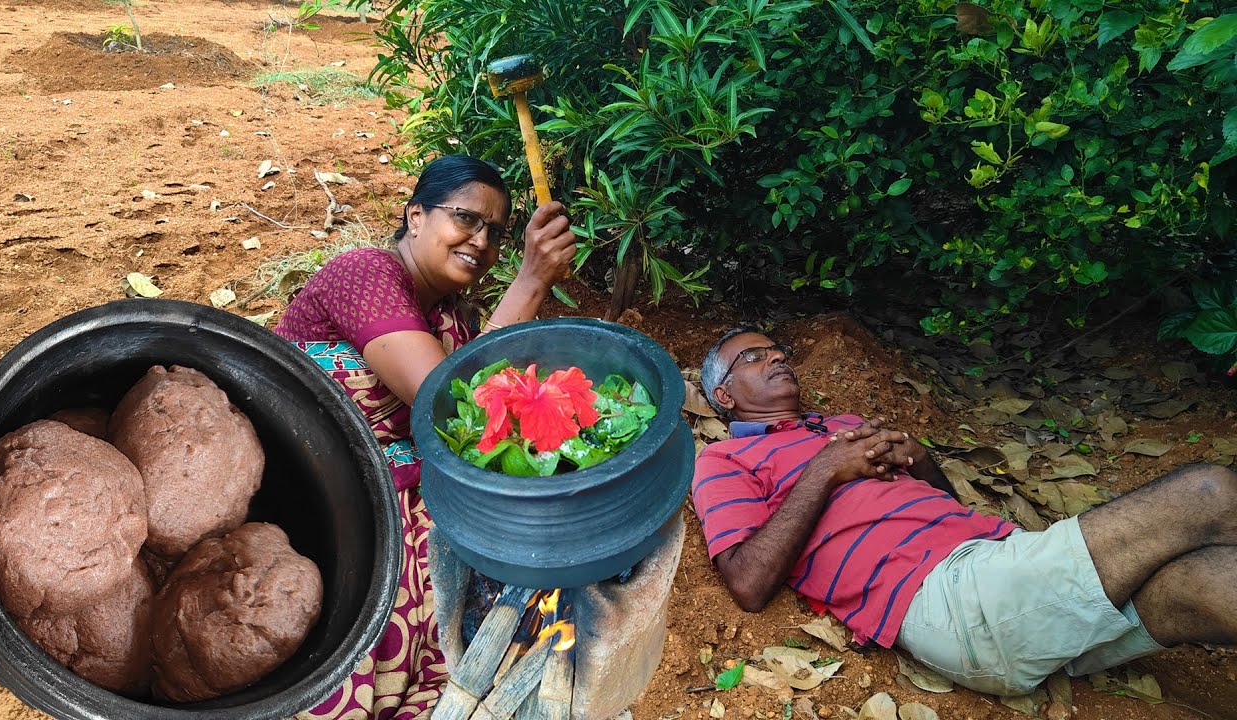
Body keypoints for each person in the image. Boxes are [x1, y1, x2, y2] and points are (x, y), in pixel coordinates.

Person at [691, 325, 1237, 696]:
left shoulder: (841, 426)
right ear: (724, 394)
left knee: (1202, 585)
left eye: (778, 350)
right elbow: (747, 583)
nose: (777, 357)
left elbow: (943, 518)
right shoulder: (725, 458)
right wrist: (824, 470)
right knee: (1207, 492)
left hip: (995, 573)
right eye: (753, 356)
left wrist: (922, 461)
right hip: (946, 603)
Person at [274, 155, 575, 719]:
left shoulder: (456, 320)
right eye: (465, 218)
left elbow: (489, 418)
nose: (481, 241)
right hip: (318, 489)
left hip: (406, 497)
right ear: (415, 217)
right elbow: (449, 402)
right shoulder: (364, 273)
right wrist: (531, 281)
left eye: (496, 233)